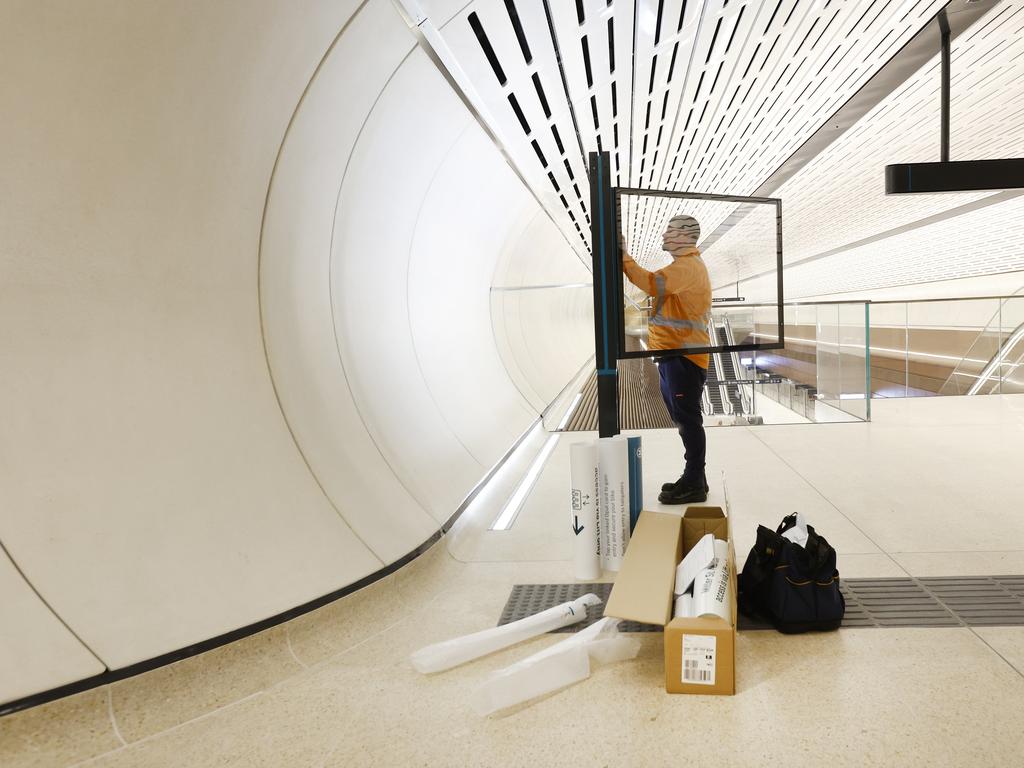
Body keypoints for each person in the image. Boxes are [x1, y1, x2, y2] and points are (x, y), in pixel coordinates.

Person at [620, 214, 712, 504]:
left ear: (684, 236)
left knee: (688, 419)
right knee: (682, 417)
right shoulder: (681, 267)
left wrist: (623, 257)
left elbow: (650, 283)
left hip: (684, 357)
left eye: (669, 232)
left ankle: (695, 481)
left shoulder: (688, 268)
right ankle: (694, 476)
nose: (663, 236)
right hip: (673, 355)